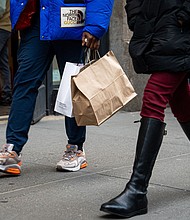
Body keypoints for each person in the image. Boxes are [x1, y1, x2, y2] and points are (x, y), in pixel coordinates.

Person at [0, 0, 114, 175]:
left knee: (73, 86)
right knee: (24, 83)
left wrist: (95, 26)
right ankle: (12, 149)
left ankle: (76, 148)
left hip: (71, 19)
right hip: (37, 20)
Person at [100, 0, 190, 218]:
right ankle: (136, 192)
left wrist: (182, 16)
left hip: (179, 32)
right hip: (158, 31)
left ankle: (137, 190)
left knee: (154, 96)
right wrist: (136, 17)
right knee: (180, 101)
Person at [0, 0, 12, 106]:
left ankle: (6, 94)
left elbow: (1, 8)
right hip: (5, 26)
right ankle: (6, 94)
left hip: (2, 27)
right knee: (3, 62)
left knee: (3, 63)